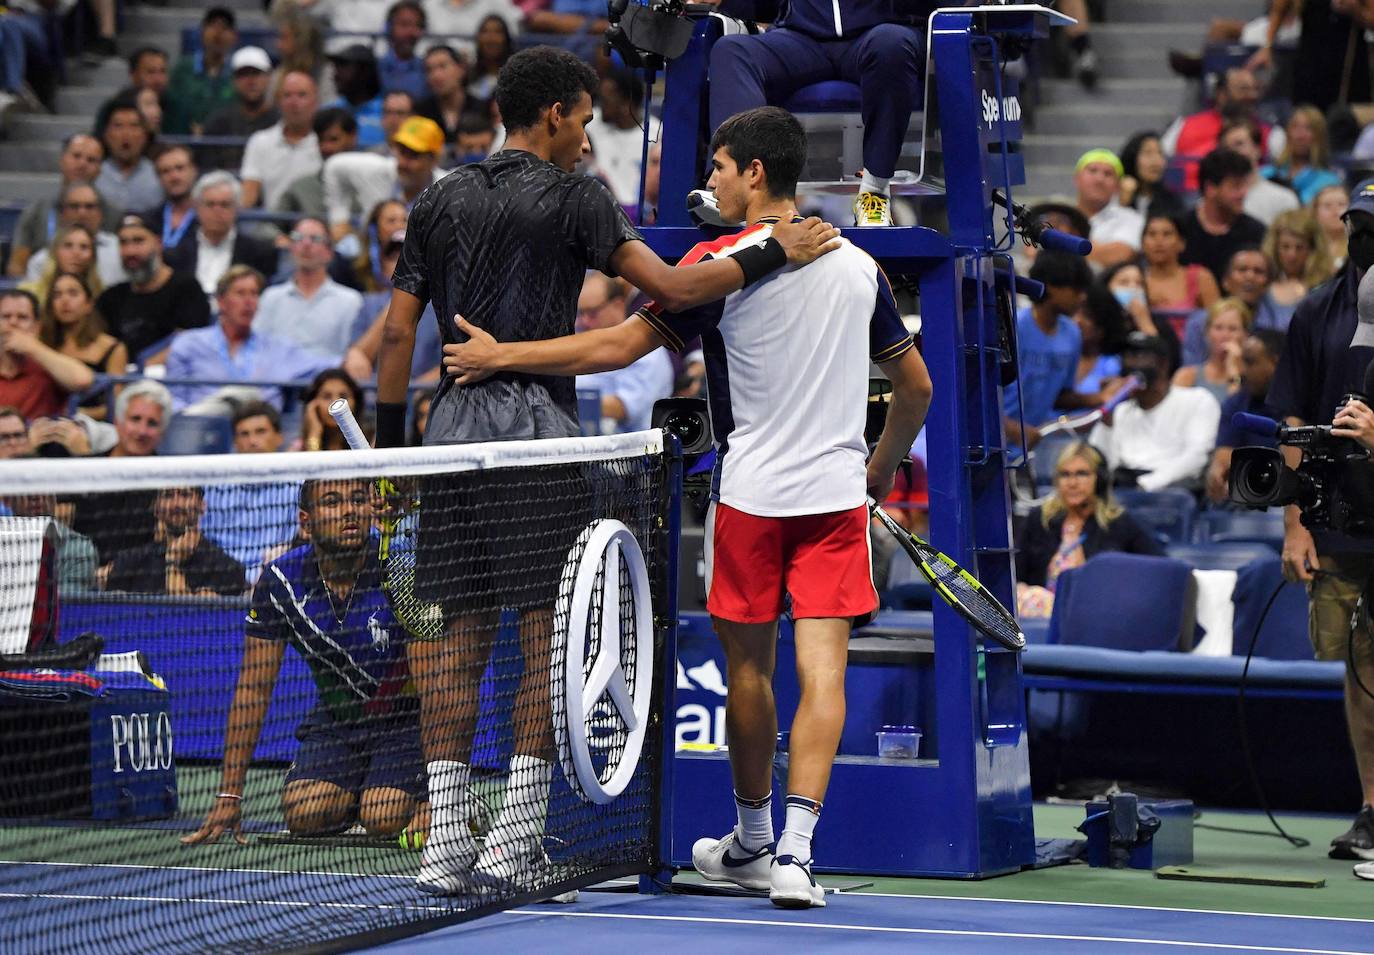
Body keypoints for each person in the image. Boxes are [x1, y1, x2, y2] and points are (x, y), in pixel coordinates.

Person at [374, 50, 840, 896]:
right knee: (543, 639)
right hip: (538, 439)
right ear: (552, 113)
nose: (589, 139)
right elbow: (667, 284)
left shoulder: (435, 197)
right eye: (585, 121)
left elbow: (398, 336)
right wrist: (777, 249)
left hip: (446, 438)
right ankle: (512, 841)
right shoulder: (577, 196)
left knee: (456, 638)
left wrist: (390, 450)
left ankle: (444, 845)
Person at [441, 103, 930, 906]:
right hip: (836, 499)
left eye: (717, 169)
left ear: (754, 173)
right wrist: (877, 471)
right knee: (824, 672)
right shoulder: (858, 266)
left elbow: (615, 346)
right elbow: (915, 388)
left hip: (749, 500)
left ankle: (753, 835)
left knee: (750, 674)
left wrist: (503, 355)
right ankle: (797, 858)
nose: (709, 181)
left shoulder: (720, 264)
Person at [183, 478, 427, 846]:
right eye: (332, 502)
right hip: (338, 720)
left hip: (406, 722)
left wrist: (437, 795)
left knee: (385, 815)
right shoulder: (281, 582)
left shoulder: (399, 569)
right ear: (305, 521)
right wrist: (230, 794)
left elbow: (436, 688)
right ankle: (361, 791)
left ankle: (438, 801)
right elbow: (253, 687)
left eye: (359, 499)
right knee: (305, 813)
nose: (349, 510)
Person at [1269, 177, 1374, 862]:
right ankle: (1371, 806)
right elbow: (1293, 420)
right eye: (1359, 226)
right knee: (1361, 663)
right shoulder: (1316, 311)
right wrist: (1296, 520)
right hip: (1340, 517)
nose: (1366, 241)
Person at [706, 0, 929, 226]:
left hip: (881, 33)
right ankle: (732, 186)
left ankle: (875, 191)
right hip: (801, 39)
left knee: (891, 44)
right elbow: (769, 8)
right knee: (732, 50)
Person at [1014, 441, 1163, 618]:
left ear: (1099, 480)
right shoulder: (1039, 519)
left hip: (1096, 614)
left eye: (1082, 474)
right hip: (1038, 617)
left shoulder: (1119, 523)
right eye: (1065, 475)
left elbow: (1159, 567)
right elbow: (1014, 573)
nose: (1072, 483)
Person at [164, 266, 332, 411]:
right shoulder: (190, 344)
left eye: (254, 294)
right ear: (221, 301)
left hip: (263, 438)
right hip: (205, 434)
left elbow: (324, 366)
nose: (249, 301)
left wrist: (355, 356)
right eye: (240, 293)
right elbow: (173, 399)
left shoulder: (278, 348)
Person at [1089, 333, 1220, 491]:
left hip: (1169, 489)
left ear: (1163, 364)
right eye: (1127, 356)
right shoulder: (1120, 410)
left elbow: (1197, 457)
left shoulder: (1197, 400)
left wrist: (1146, 484)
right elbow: (1099, 461)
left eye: (1140, 356)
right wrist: (1107, 419)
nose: (1132, 364)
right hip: (1122, 484)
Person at [68, 379, 173, 566]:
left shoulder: (169, 482)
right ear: (118, 422)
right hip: (81, 575)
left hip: (139, 580)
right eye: (135, 419)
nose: (142, 431)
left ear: (162, 433)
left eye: (152, 423)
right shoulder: (83, 470)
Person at [1001, 252, 1094, 453]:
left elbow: (1061, 395)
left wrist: (1098, 398)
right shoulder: (1012, 327)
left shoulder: (1072, 333)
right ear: (1051, 287)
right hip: (995, 445)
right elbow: (977, 397)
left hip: (1033, 448)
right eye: (1076, 289)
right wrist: (1012, 429)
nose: (1082, 296)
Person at [96, 213, 211, 366]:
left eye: (138, 241)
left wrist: (141, 370)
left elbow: (192, 343)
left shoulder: (187, 289)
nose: (130, 251)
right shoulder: (111, 298)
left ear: (158, 243)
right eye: (123, 243)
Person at [203, 401, 298, 582]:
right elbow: (205, 542)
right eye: (244, 434)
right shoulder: (214, 486)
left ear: (279, 437)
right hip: (220, 582)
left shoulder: (297, 488)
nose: (252, 441)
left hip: (275, 581)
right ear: (235, 442)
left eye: (260, 432)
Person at [5, 134, 117, 280]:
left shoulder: (114, 214)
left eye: (91, 160)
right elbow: (17, 266)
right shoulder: (36, 212)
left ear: (100, 169)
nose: (82, 164)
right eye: (76, 156)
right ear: (62, 160)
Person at [101, 486, 246, 596]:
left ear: (202, 506)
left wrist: (173, 563)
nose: (176, 504)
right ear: (156, 508)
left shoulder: (227, 568)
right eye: (168, 496)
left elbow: (193, 623)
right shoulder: (128, 564)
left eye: (185, 495)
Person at [254, 217, 363, 363]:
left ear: (329, 252)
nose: (306, 244)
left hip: (328, 381)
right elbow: (257, 350)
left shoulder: (350, 300)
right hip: (277, 381)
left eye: (315, 239)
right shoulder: (271, 297)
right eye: (299, 238)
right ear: (291, 248)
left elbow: (351, 356)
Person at [572, 273, 672, 432]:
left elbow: (623, 407)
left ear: (617, 305)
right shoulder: (578, 339)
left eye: (592, 312)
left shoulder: (647, 349)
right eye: (580, 313)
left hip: (632, 449)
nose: (584, 321)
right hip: (577, 439)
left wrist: (561, 403)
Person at [323, 117, 448, 243]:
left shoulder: (448, 187)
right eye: (402, 152)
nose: (404, 162)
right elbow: (333, 166)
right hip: (371, 254)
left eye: (414, 155)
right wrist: (339, 218)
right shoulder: (377, 169)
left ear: (434, 159)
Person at [1161, 68, 1282, 191]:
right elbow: (1160, 160)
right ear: (1221, 94)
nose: (1252, 96)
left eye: (1255, 89)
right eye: (1243, 89)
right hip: (1185, 197)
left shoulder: (1272, 134)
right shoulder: (1183, 125)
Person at [165, 172, 280, 301]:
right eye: (210, 204)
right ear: (197, 208)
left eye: (225, 205)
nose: (217, 211)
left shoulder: (260, 252)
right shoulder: (175, 255)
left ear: (237, 209)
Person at [1205, 328, 1284, 503]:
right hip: (1248, 496)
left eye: (1250, 362)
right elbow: (1224, 457)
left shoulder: (1304, 405)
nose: (1242, 371)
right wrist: (1218, 473)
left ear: (1276, 364)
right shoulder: (1235, 404)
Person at [39, 272, 127, 419]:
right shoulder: (42, 345)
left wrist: (79, 414)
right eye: (57, 295)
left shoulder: (113, 348)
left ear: (89, 304)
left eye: (73, 293)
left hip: (94, 428)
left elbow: (117, 406)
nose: (64, 300)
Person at [0, 288, 96, 420]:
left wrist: (33, 348)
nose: (13, 323)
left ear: (36, 327)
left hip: (42, 436)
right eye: (5, 317)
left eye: (22, 317)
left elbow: (82, 380)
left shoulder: (48, 364)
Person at [1180, 148, 1268, 286]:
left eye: (1244, 185)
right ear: (1210, 188)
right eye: (1236, 186)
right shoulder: (1181, 228)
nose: (1243, 193)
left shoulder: (1257, 232)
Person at [1182, 247, 1285, 364]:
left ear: (1268, 284)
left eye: (1258, 271)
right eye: (1242, 270)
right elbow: (1191, 367)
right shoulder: (1199, 322)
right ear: (1225, 281)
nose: (1250, 276)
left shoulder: (1278, 325)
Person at [585, 67, 660, 212]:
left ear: (626, 105)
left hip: (640, 212)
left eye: (606, 101)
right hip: (599, 207)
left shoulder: (656, 133)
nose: (600, 106)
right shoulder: (591, 121)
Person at [25, 185, 125, 289]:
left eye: (89, 206)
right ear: (62, 214)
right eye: (74, 206)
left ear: (100, 214)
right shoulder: (40, 261)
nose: (82, 213)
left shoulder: (121, 249)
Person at [201, 47, 281, 171]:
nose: (251, 81)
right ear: (233, 80)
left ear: (269, 77)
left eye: (256, 74)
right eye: (243, 75)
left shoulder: (280, 122)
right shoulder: (217, 122)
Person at [1141, 212, 1220, 333]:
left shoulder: (1201, 278)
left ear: (1181, 243)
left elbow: (1218, 324)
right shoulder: (1134, 280)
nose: (1159, 241)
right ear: (1142, 244)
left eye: (1167, 234)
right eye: (1152, 234)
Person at [165, 7, 239, 135]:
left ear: (234, 37)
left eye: (225, 28)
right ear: (201, 32)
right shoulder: (182, 70)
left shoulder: (238, 72)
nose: (218, 33)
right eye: (213, 26)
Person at [277, 108, 360, 220]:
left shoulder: (371, 184)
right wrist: (279, 237)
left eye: (333, 139)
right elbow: (269, 225)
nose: (326, 147)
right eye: (321, 140)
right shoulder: (300, 188)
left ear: (353, 137)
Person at [1219, 119, 1301, 228]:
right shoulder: (1214, 202)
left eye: (1239, 144)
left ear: (1257, 149)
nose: (1233, 152)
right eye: (1227, 148)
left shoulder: (1284, 200)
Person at [1073, 149, 1145, 268]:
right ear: (1077, 179)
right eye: (1092, 170)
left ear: (1117, 186)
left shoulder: (1133, 219)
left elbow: (1119, 256)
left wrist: (1062, 245)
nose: (1099, 179)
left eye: (1108, 174)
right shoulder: (1058, 214)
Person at [1172, 296, 1250, 404]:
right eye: (1218, 328)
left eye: (1233, 329)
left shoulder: (1252, 380)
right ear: (1207, 333)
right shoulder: (1186, 376)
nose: (1225, 335)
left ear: (1245, 335)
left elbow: (1234, 412)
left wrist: (1233, 369)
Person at [94, 97, 163, 216]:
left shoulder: (160, 174)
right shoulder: (93, 174)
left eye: (134, 126)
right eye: (118, 126)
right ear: (106, 134)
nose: (126, 134)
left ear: (145, 135)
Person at [1262, 106, 1344, 205]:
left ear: (1319, 136)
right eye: (1295, 127)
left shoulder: (1329, 183)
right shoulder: (1264, 175)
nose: (1300, 135)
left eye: (1308, 128)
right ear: (1288, 133)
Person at [1264, 208, 1337, 316]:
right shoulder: (1262, 283)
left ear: (1313, 249)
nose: (1292, 255)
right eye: (1285, 247)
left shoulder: (1325, 288)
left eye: (1300, 248)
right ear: (1274, 248)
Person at [22, 224, 107, 307]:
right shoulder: (29, 294)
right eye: (68, 245)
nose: (76, 253)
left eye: (84, 247)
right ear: (55, 253)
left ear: (93, 256)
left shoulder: (105, 296)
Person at [326, 44, 387, 150]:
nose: (336, 76)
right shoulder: (329, 112)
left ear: (365, 72)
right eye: (336, 68)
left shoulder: (388, 111)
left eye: (343, 67)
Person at [415, 46, 475, 148]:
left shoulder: (480, 108)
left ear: (461, 69)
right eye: (429, 70)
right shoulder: (421, 112)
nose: (436, 76)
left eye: (442, 67)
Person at [144, 145, 201, 252]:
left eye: (180, 168)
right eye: (165, 171)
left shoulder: (208, 219)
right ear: (158, 178)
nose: (174, 177)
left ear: (194, 170)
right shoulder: (149, 221)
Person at [294, 368, 367, 452]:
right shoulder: (297, 448)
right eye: (326, 396)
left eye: (343, 396)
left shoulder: (373, 440)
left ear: (356, 402)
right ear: (313, 403)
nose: (335, 403)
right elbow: (315, 465)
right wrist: (314, 435)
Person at [1117, 131, 1184, 218]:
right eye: (1148, 153)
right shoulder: (1114, 194)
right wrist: (1122, 202)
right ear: (1132, 158)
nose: (1156, 161)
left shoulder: (1171, 201)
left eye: (1160, 153)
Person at [380, 0, 430, 102]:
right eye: (404, 24)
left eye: (418, 26)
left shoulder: (427, 70)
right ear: (389, 27)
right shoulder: (375, 69)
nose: (412, 32)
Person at [465, 14, 516, 105]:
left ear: (506, 38)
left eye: (498, 32)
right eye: (485, 32)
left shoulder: (516, 77)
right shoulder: (467, 76)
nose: (491, 39)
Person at [1313, 184, 1351, 268]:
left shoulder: (1359, 246)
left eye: (1341, 204)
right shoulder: (1309, 245)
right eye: (1327, 205)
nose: (1335, 211)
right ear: (1315, 212)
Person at [373, 90, 418, 156]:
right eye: (388, 112)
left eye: (400, 113)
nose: (393, 120)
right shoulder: (371, 155)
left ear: (414, 118)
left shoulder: (428, 156)